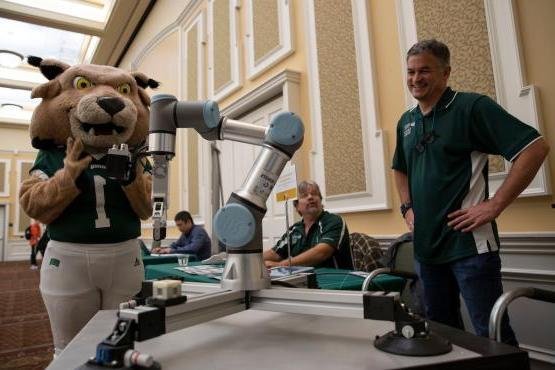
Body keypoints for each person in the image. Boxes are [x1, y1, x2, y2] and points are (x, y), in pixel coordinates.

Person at [392, 39, 550, 345]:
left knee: (492, 334)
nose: (415, 79)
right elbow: (400, 168)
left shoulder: (471, 107)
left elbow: (535, 148)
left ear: (445, 73)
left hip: (470, 248)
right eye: (410, 72)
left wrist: (494, 205)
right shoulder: (406, 122)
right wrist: (407, 209)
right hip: (426, 249)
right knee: (438, 333)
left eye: (424, 70)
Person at [263, 180, 353, 269]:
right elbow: (274, 253)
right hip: (305, 281)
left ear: (320, 201)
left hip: (336, 281)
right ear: (297, 206)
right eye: (304, 195)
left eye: (314, 194)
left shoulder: (334, 221)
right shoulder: (294, 230)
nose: (310, 197)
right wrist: (252, 260)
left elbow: (321, 253)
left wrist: (281, 265)